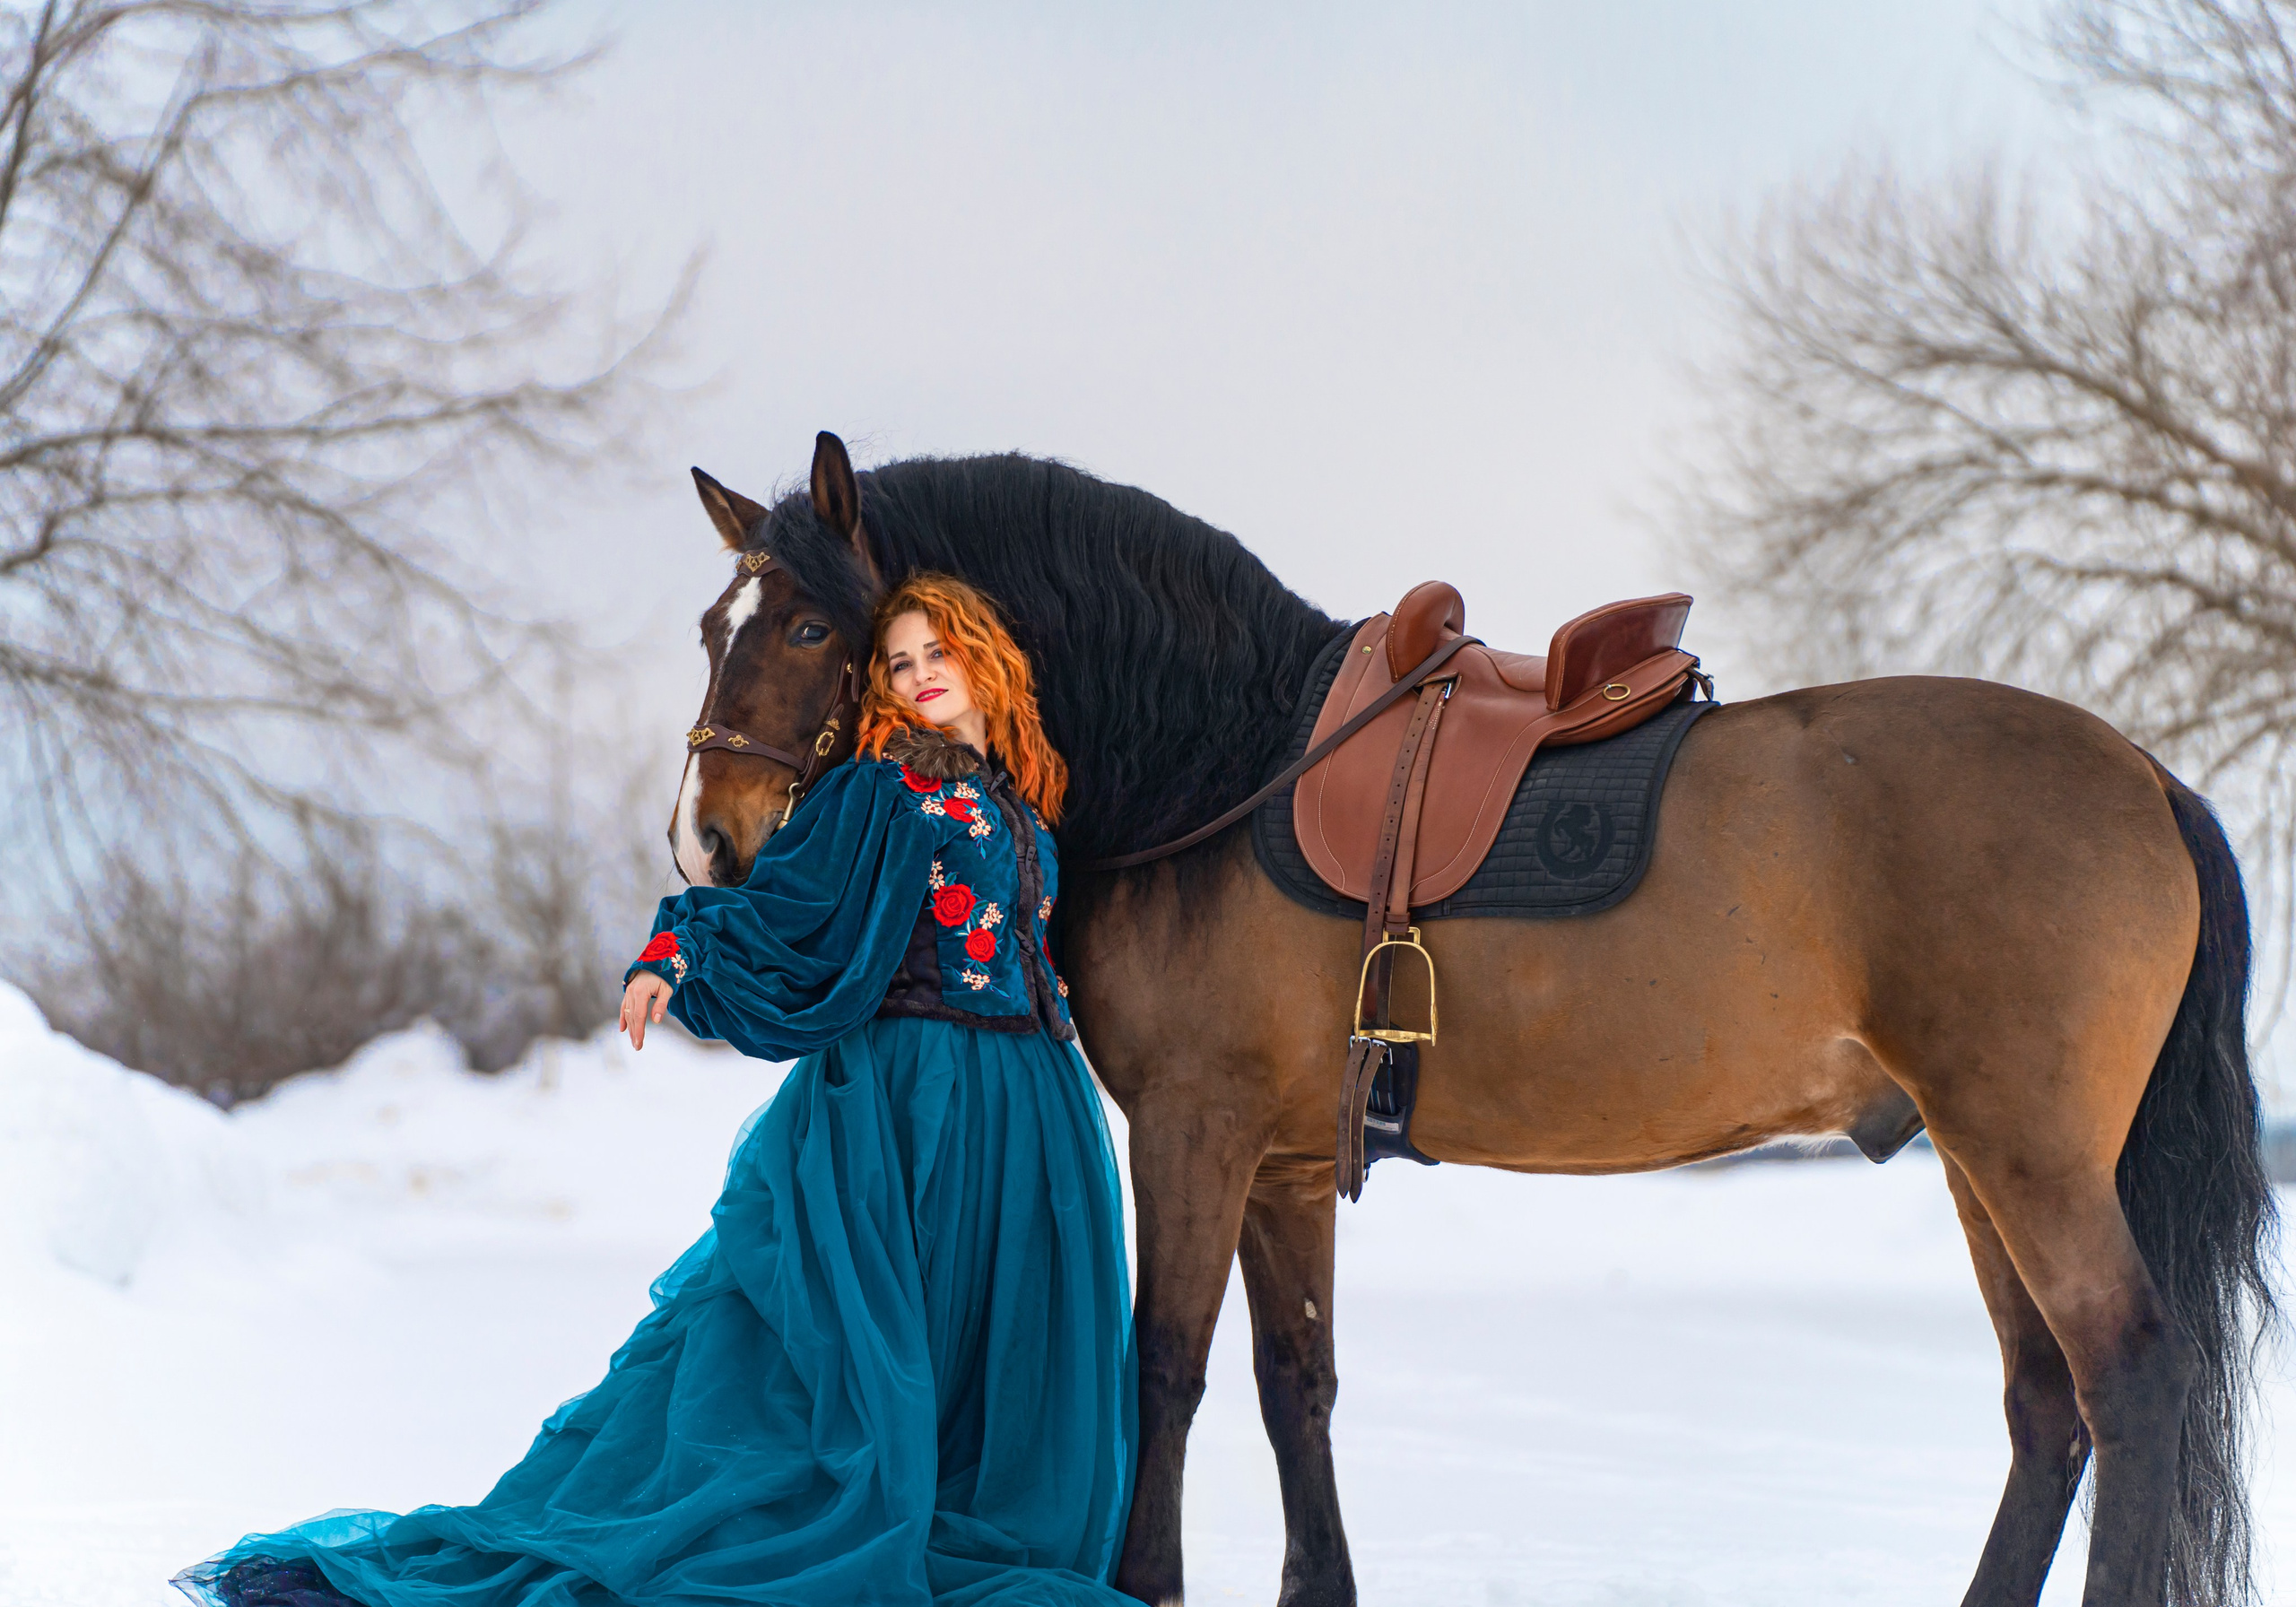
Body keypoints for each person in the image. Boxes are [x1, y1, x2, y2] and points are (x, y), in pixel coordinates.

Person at [176, 572, 1136, 1607]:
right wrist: (674, 952)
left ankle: (965, 1513)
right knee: (872, 1358)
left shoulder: (1023, 805)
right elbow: (787, 906)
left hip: (1032, 1106)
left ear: (983, 655)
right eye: (899, 662)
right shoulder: (884, 790)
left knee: (1000, 1348)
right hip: (914, 1103)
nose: (918, 676)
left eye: (935, 653)